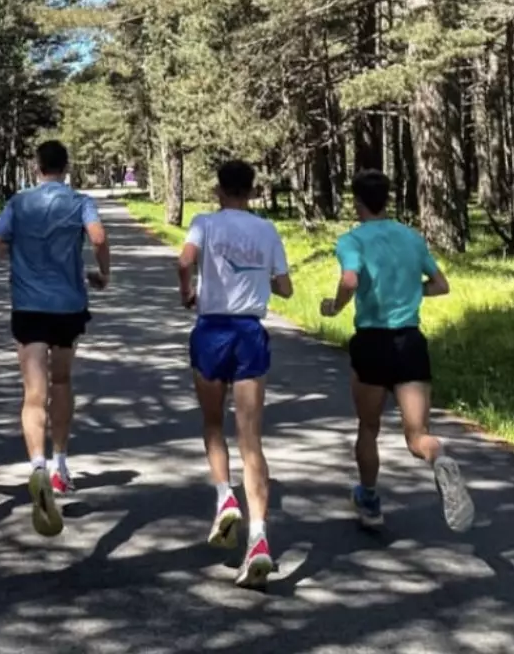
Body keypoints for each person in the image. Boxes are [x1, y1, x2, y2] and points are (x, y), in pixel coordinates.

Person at [319, 168, 474, 533]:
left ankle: (370, 500)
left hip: (372, 342)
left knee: (368, 427)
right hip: (410, 342)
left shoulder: (352, 241)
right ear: (386, 200)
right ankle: (438, 458)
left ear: (357, 201)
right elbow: (440, 285)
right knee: (417, 434)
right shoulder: (411, 237)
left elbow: (350, 279)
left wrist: (336, 305)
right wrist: (408, 291)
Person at [0, 140, 110, 537]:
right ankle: (60, 466)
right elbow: (100, 238)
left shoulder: (19, 202)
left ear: (36, 167)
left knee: (33, 393)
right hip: (69, 306)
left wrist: (17, 259)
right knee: (63, 382)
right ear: (66, 167)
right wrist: (102, 274)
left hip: (29, 307)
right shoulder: (80, 201)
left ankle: (36, 465)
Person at [177, 160, 293, 590]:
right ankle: (260, 539)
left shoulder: (204, 223)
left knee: (212, 423)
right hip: (249, 333)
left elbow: (184, 261)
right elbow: (285, 287)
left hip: (211, 331)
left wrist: (187, 292)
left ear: (219, 189)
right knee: (252, 438)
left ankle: (225, 496)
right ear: (252, 190)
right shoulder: (266, 230)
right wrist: (263, 279)